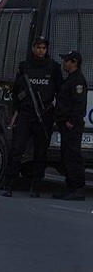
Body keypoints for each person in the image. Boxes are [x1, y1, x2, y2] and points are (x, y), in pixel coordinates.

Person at [2, 36, 62, 198]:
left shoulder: (54, 67)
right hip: (26, 114)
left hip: (44, 115)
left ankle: (35, 186)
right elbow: (16, 92)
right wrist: (17, 110)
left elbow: (60, 91)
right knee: (17, 149)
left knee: (41, 152)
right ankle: (9, 185)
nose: (41, 51)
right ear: (33, 48)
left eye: (44, 48)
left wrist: (55, 112)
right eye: (38, 47)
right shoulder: (24, 66)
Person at [52, 50, 88, 201]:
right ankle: (70, 187)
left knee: (73, 156)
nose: (63, 63)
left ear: (74, 62)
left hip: (72, 126)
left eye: (66, 60)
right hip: (65, 125)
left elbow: (79, 105)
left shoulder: (77, 80)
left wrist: (71, 121)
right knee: (66, 156)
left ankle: (77, 188)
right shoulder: (70, 79)